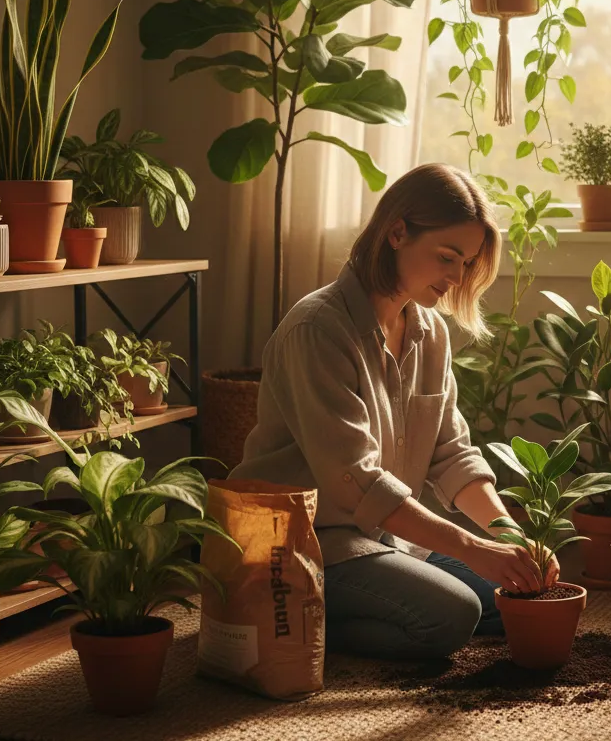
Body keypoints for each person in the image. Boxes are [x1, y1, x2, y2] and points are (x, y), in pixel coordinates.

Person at [229, 163, 559, 660]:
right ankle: (286, 621)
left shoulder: (431, 334)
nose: (456, 278)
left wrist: (509, 537)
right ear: (397, 232)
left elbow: (452, 455)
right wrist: (472, 549)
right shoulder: (318, 330)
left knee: (513, 597)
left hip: (389, 541)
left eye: (466, 263)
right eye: (448, 257)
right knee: (454, 615)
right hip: (312, 547)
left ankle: (363, 607)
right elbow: (357, 483)